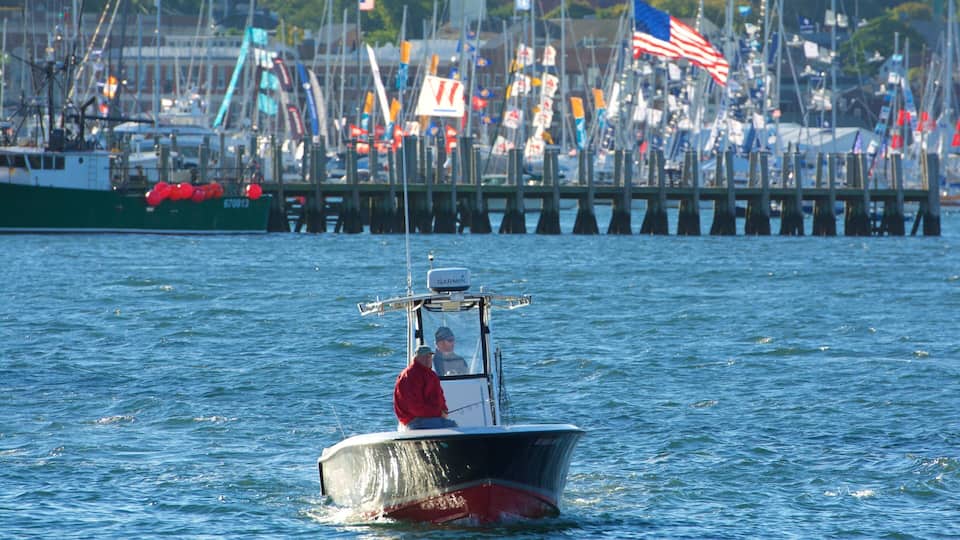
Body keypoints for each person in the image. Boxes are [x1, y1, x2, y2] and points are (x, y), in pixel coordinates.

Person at [393, 345, 457, 430]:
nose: (428, 359)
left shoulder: (432, 375)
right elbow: (414, 407)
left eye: (429, 356)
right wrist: (438, 413)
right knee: (451, 426)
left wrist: (444, 409)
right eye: (424, 356)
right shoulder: (409, 375)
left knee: (451, 424)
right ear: (416, 358)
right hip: (414, 420)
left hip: (431, 418)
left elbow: (439, 396)